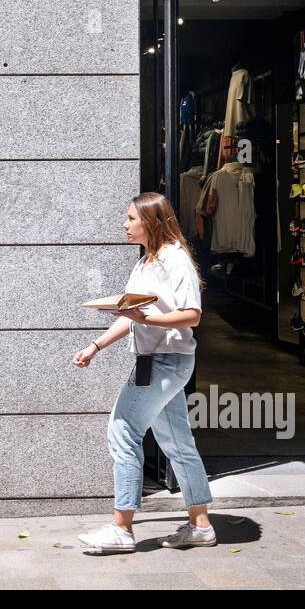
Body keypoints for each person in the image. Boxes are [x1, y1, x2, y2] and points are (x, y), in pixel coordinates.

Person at [74, 192, 215, 554]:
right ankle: (201, 525)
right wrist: (96, 346)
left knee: (122, 432)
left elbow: (192, 314)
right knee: (178, 444)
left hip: (164, 362)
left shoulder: (174, 259)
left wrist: (147, 318)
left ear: (151, 221)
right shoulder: (147, 262)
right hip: (159, 361)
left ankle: (121, 528)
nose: (125, 224)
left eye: (131, 218)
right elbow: (130, 315)